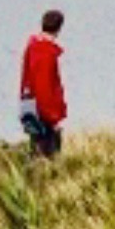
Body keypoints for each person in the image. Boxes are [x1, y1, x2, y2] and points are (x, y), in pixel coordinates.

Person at [19, 9, 68, 158]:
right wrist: (53, 120)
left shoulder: (33, 47)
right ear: (59, 29)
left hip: (32, 109)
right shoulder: (46, 53)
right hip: (45, 115)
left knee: (36, 151)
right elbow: (45, 89)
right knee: (49, 155)